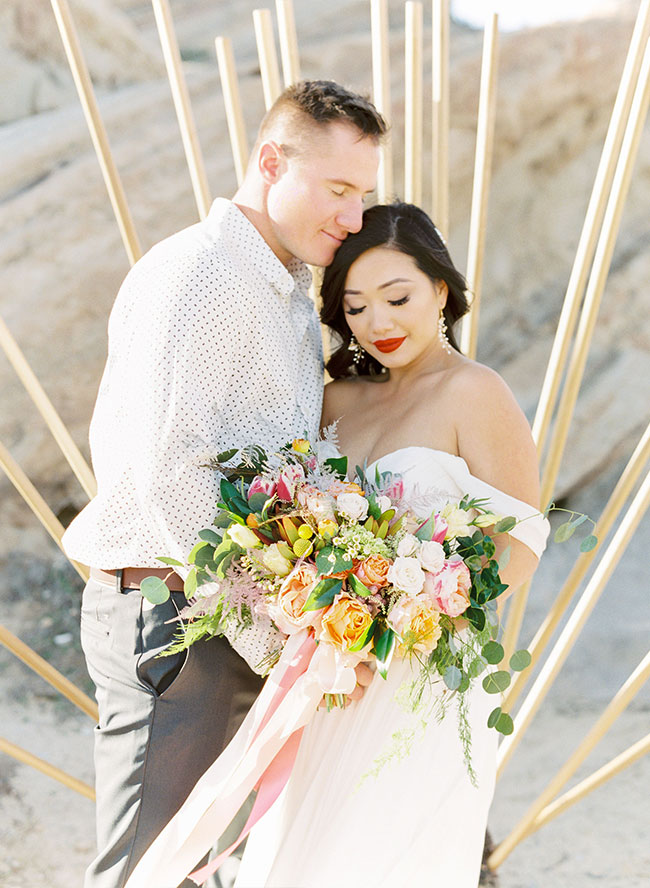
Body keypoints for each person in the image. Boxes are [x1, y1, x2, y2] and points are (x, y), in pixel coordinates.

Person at [62, 80, 386, 888]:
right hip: (175, 619)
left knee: (203, 874)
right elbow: (169, 477)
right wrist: (281, 639)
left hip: (227, 619)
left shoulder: (281, 291)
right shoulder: (202, 278)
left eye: (363, 195)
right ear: (271, 161)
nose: (352, 219)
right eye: (338, 190)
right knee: (148, 873)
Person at [234, 202, 550, 888]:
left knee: (395, 853)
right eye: (355, 307)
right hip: (331, 669)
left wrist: (425, 606)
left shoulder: (476, 392)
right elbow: (297, 524)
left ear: (441, 289)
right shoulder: (336, 401)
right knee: (301, 852)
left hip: (426, 671)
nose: (378, 323)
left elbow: (522, 536)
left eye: (397, 297)